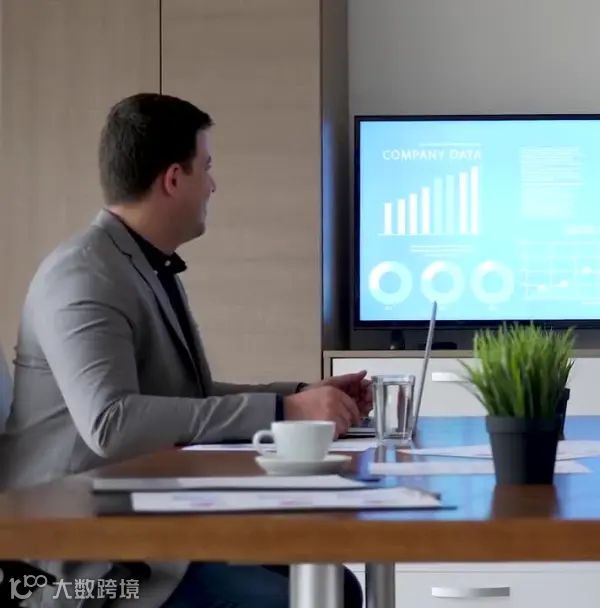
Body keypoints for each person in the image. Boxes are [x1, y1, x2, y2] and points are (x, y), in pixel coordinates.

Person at [0, 93, 367, 607]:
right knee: (304, 598)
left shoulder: (140, 264)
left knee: (337, 586)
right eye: (206, 167)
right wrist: (285, 411)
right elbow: (112, 423)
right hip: (81, 554)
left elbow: (185, 397)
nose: (213, 185)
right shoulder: (83, 274)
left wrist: (302, 395)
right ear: (174, 179)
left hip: (144, 521)